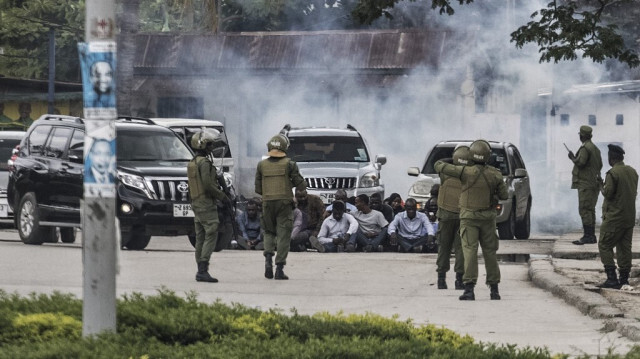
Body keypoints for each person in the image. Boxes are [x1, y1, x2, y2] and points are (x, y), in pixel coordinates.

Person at [435, 139, 508, 301]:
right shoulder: (495, 174)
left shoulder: (465, 172)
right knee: (490, 253)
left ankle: (469, 289)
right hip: (488, 218)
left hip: (468, 218)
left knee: (469, 252)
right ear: (488, 156)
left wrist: (452, 160)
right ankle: (494, 289)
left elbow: (438, 166)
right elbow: (504, 196)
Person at [255, 133, 306, 280]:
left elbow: (258, 189)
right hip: (284, 204)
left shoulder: (261, 165)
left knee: (269, 232)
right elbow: (301, 185)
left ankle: (267, 262)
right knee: (283, 235)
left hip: (267, 203)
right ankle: (279, 269)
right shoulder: (290, 164)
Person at [187, 129, 230, 283]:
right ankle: (203, 269)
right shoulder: (204, 163)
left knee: (200, 236)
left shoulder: (192, 162)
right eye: (210, 144)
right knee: (211, 232)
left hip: (196, 203)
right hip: (205, 203)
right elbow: (208, 184)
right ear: (203, 145)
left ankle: (200, 268)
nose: (212, 147)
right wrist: (222, 196)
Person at [596, 144, 638, 289]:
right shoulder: (632, 171)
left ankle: (611, 278)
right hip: (629, 217)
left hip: (615, 218)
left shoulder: (612, 173)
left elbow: (609, 194)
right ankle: (624, 279)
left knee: (604, 244)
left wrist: (601, 185)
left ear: (611, 158)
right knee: (624, 248)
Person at [435, 146, 469, 290]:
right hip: (463, 216)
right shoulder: (470, 174)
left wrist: (453, 161)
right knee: (461, 249)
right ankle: (459, 280)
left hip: (445, 216)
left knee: (444, 248)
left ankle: (441, 279)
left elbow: (438, 163)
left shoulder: (445, 173)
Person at [568, 125, 603, 245]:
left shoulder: (585, 148)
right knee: (590, 209)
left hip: (585, 184)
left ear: (582, 136)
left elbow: (581, 163)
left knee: (584, 209)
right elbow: (600, 165)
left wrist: (573, 158)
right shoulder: (595, 149)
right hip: (594, 183)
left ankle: (588, 236)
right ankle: (591, 236)